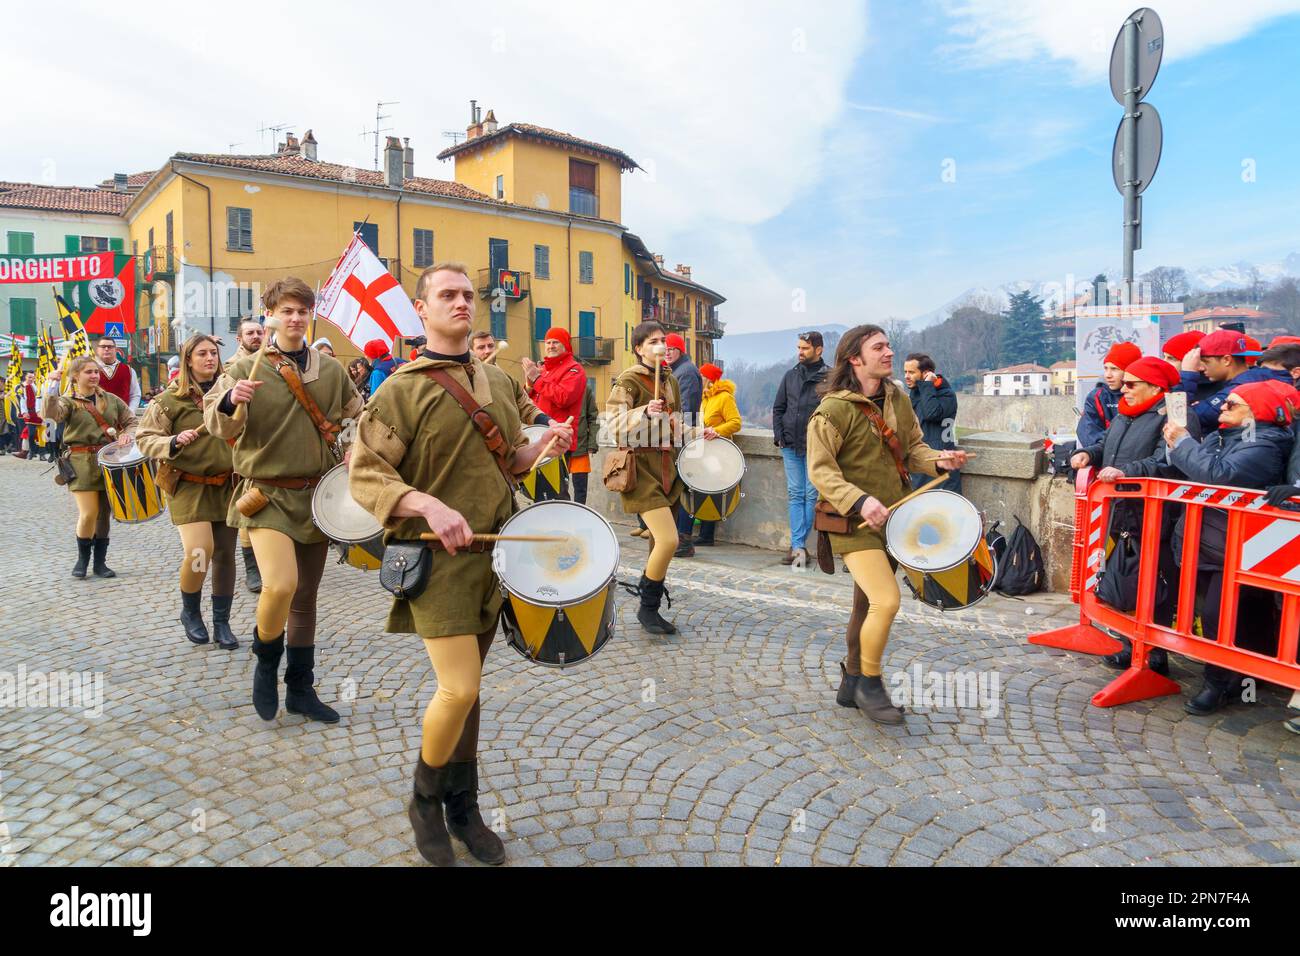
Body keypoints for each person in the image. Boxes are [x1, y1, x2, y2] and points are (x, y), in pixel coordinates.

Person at [348, 261, 573, 867]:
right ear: (420, 310)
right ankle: (424, 801)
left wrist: (545, 442)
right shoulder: (402, 387)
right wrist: (426, 504)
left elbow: (513, 463)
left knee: (471, 695)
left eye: (468, 295)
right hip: (435, 559)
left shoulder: (498, 382)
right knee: (459, 686)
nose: (461, 303)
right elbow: (366, 474)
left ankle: (464, 806)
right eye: (446, 295)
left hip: (494, 557)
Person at [205, 276, 365, 725]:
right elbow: (221, 428)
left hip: (316, 495)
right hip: (265, 494)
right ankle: (265, 660)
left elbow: (359, 415)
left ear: (310, 315)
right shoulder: (244, 370)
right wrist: (230, 402)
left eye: (303, 311)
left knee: (306, 597)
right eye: (287, 311)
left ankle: (300, 688)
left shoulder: (331, 371)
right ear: (269, 315)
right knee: (280, 585)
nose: (295, 319)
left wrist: (356, 446)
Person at [807, 325, 966, 724]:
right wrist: (860, 501)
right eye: (879, 347)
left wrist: (939, 461)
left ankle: (850, 681)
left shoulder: (896, 396)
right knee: (886, 601)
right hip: (849, 522)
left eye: (889, 345)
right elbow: (821, 472)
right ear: (855, 359)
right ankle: (869, 685)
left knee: (865, 604)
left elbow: (913, 448)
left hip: (893, 518)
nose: (889, 352)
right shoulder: (832, 410)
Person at [1165, 380, 1295, 715]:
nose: (1222, 407)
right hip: (1213, 541)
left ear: (1257, 412)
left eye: (1232, 404)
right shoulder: (1226, 436)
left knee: (1219, 617)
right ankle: (1246, 677)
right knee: (1237, 616)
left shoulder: (1264, 443)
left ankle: (1217, 684)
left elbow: (1217, 475)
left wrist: (1183, 443)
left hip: (1235, 547)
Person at [1070, 356, 1201, 673]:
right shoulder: (1125, 415)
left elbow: (1169, 462)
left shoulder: (1175, 416)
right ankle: (1131, 644)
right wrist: (1088, 453)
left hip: (1159, 518)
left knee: (1156, 586)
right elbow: (1106, 444)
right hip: (1123, 513)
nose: (1123, 389)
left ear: (1155, 387)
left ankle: (1155, 656)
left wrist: (1126, 472)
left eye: (1131, 384)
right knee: (1128, 581)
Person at [607, 321, 718, 634]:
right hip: (640, 469)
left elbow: (676, 426)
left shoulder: (670, 381)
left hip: (667, 470)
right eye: (653, 342)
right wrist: (643, 412)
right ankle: (647, 606)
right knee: (670, 540)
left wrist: (699, 433)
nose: (662, 347)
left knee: (660, 543)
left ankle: (650, 608)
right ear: (639, 348)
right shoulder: (629, 380)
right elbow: (613, 424)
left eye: (664, 342)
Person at [135, 335, 239, 649]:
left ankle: (222, 621)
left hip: (227, 484)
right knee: (198, 552)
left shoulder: (230, 393)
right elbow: (145, 438)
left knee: (224, 556)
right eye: (202, 354)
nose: (209, 358)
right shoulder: (169, 400)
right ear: (188, 360)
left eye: (213, 353)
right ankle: (190, 611)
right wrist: (173, 441)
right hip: (188, 484)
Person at [44, 355, 138, 578]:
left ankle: (100, 563)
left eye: (96, 371)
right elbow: (51, 414)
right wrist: (51, 388)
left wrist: (127, 435)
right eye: (88, 372)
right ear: (75, 376)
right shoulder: (67, 401)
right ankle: (82, 559)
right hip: (80, 463)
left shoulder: (111, 399)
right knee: (89, 513)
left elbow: (131, 421)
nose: (94, 375)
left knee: (103, 514)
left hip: (108, 461)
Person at [772, 331, 828, 565]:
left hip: (816, 446)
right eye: (799, 348)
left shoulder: (830, 378)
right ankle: (798, 547)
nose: (800, 352)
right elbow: (778, 408)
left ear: (819, 350)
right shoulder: (790, 375)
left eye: (805, 348)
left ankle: (798, 545)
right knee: (796, 494)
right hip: (790, 444)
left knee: (811, 495)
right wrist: (779, 435)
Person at [522, 327, 586, 498]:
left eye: (555, 342)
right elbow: (527, 402)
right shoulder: (544, 370)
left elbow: (563, 397)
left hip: (559, 439)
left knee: (556, 491)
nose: (550, 346)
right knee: (537, 491)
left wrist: (536, 378)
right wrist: (529, 384)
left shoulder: (575, 369)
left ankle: (561, 523)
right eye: (548, 342)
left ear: (565, 345)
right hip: (538, 437)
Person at [228, 317, 267, 595]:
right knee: (248, 504)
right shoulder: (233, 367)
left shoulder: (275, 362)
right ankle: (252, 566)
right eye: (250, 333)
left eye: (259, 332)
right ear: (239, 339)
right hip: (240, 443)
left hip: (270, 441)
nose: (256, 336)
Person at [692, 362, 742, 546]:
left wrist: (716, 430)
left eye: (701, 377)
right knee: (700, 488)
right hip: (703, 450)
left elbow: (736, 422)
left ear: (709, 380)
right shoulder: (704, 398)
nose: (698, 380)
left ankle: (707, 535)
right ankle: (700, 533)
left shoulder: (724, 398)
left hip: (719, 452)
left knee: (711, 490)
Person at [1186, 329, 1272, 433]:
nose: (1200, 368)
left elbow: (1187, 418)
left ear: (1227, 360)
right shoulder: (1252, 378)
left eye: (1205, 361)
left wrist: (1188, 374)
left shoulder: (1240, 388)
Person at [664, 334, 703, 556]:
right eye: (665, 349)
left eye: (672, 349)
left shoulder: (685, 372)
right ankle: (679, 538)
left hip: (683, 440)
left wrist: (678, 436)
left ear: (680, 350)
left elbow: (686, 410)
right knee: (680, 489)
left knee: (684, 489)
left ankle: (684, 540)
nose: (668, 352)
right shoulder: (677, 371)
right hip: (679, 437)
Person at [903, 353, 961, 493]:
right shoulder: (916, 393)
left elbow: (932, 414)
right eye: (905, 372)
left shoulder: (947, 394)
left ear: (926, 374)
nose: (906, 376)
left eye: (911, 372)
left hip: (941, 460)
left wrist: (927, 385)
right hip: (921, 463)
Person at [1077, 341, 1140, 448]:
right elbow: (1089, 436)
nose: (1108, 375)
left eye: (1114, 369)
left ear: (1130, 370)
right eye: (1106, 368)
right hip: (1103, 459)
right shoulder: (1097, 396)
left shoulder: (1144, 395)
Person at [94, 336, 142, 409]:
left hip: (122, 417)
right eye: (103, 346)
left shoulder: (128, 370)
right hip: (96, 416)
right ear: (97, 350)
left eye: (110, 347)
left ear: (115, 350)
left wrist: (130, 412)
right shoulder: (90, 370)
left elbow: (135, 395)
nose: (106, 349)